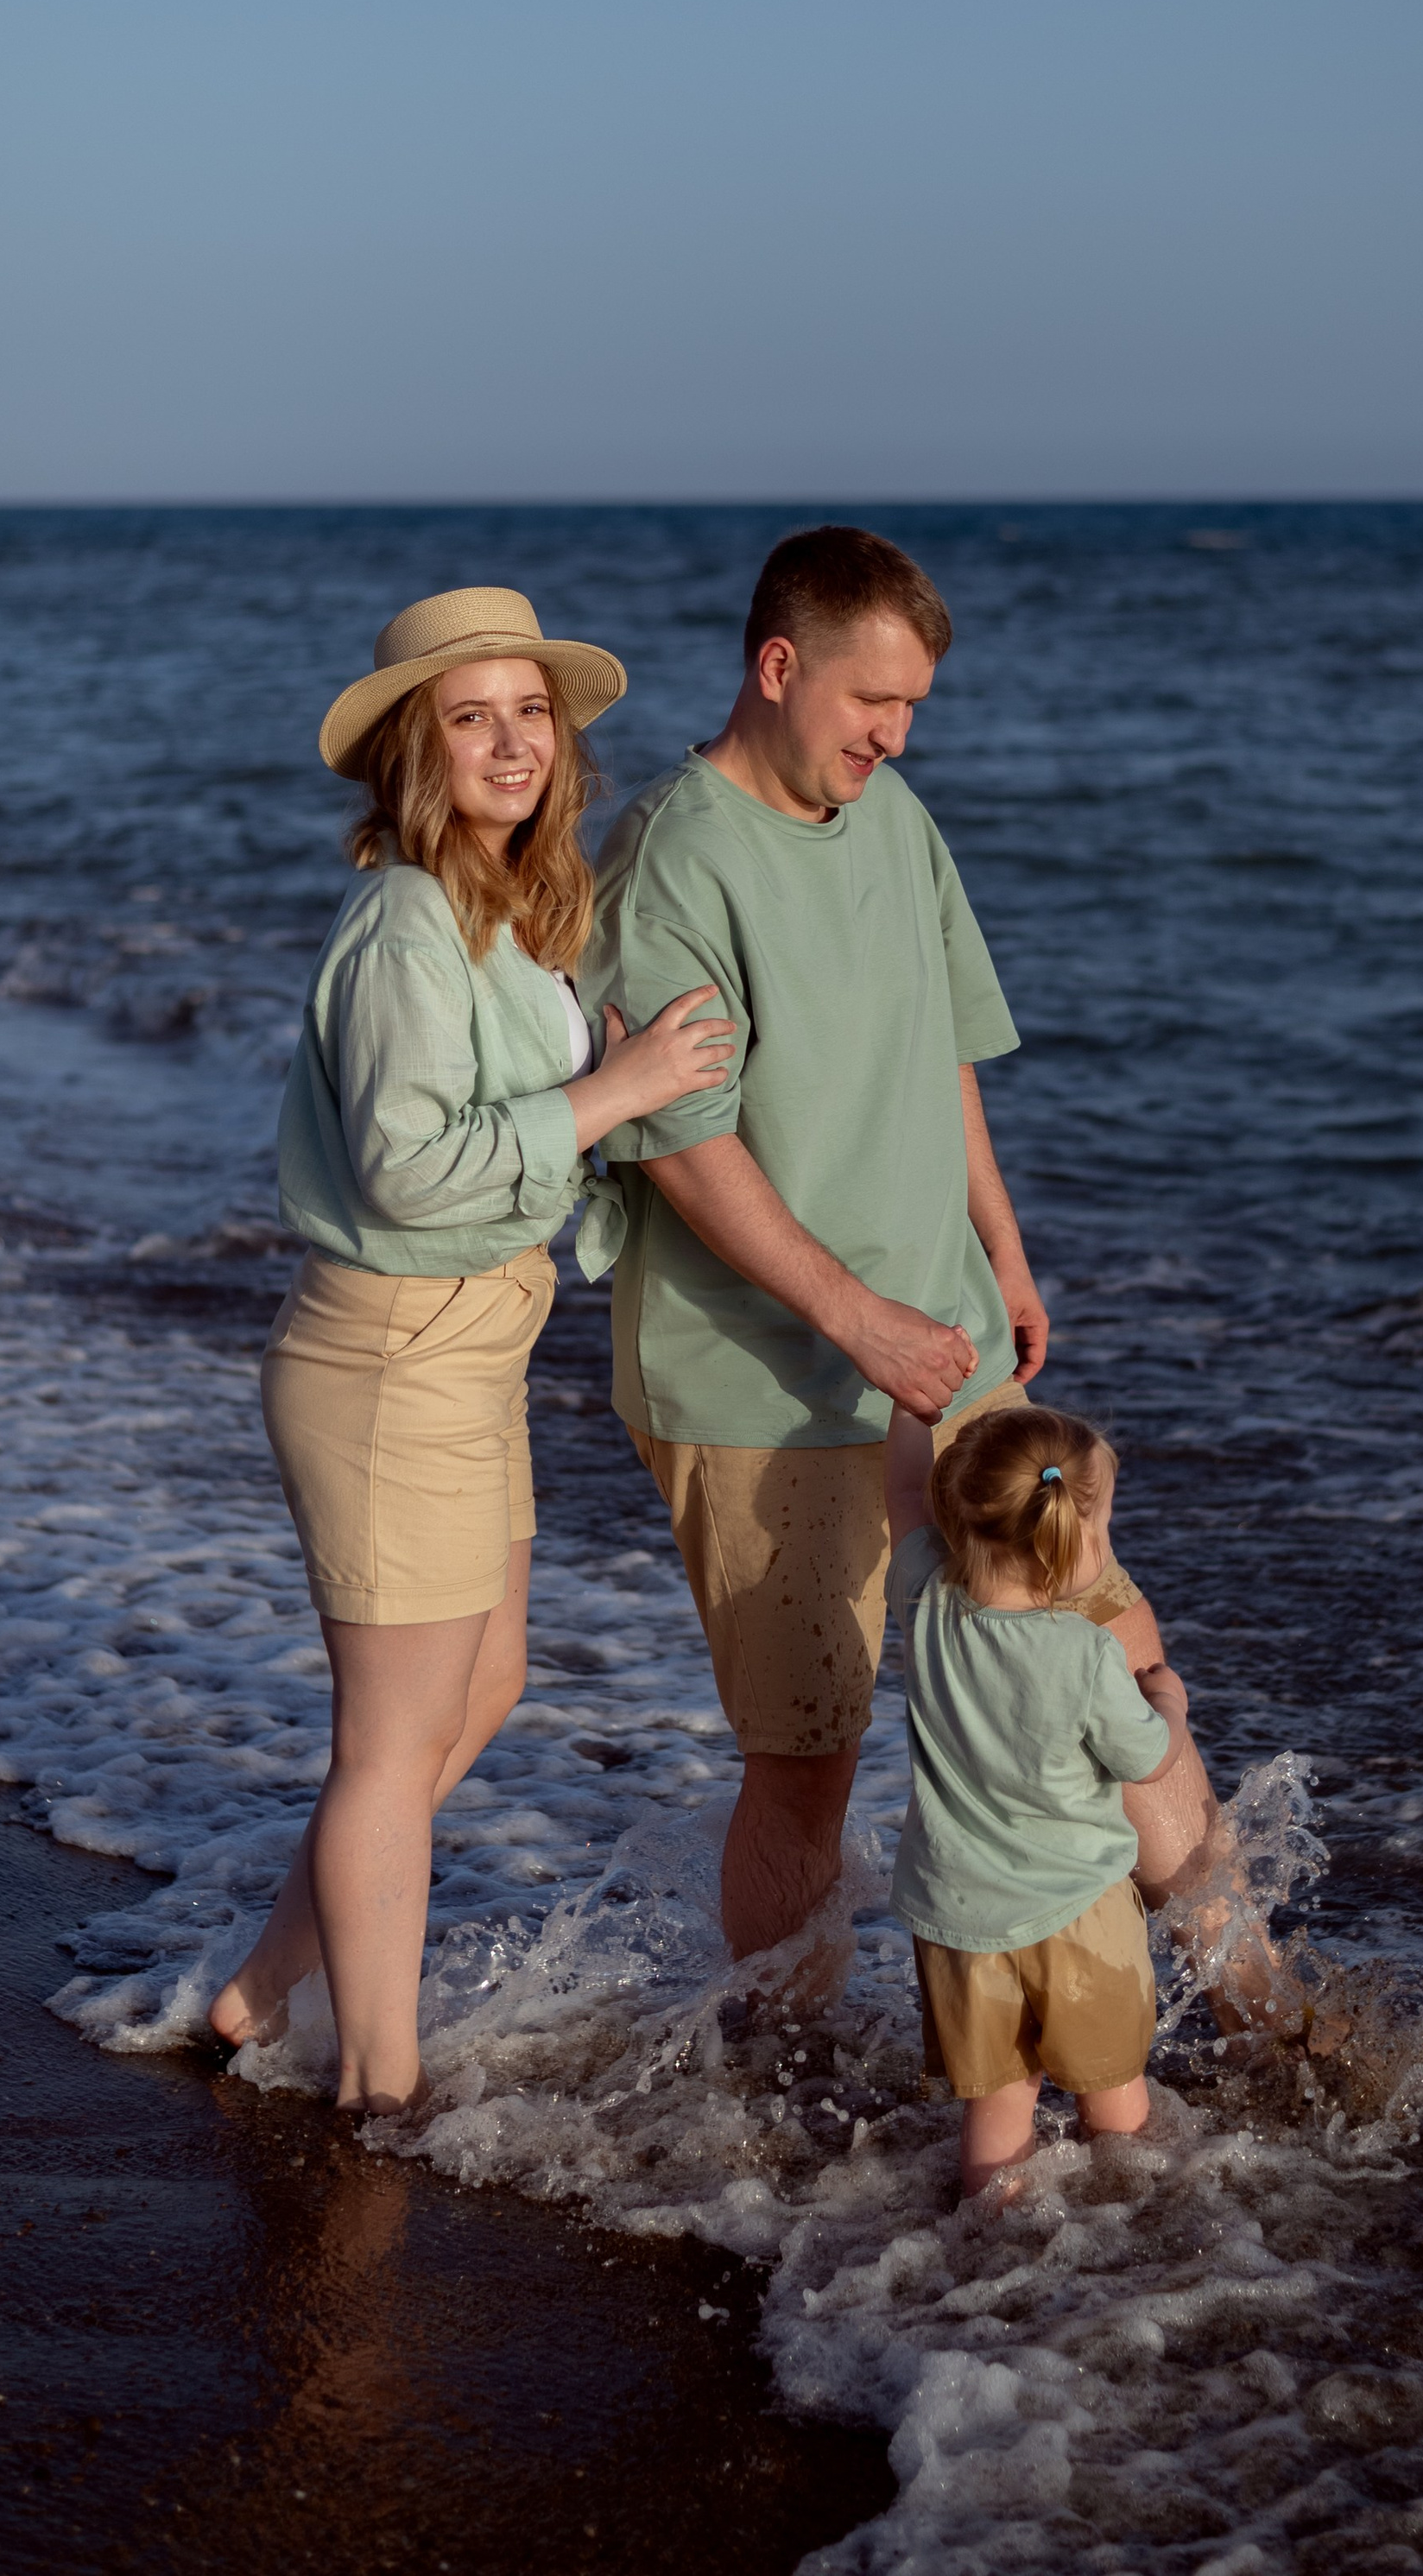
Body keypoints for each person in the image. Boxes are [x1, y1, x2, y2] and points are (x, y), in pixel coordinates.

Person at [206, 586, 733, 2116]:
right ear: (418, 753)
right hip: (388, 1358)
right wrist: (614, 1093)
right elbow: (404, 1168)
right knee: (388, 1745)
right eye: (471, 715)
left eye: (530, 711)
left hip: (474, 1349)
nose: (511, 740)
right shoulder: (405, 922)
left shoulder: (510, 906)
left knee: (484, 1684)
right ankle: (379, 2082)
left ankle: (260, 1988)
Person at [578, 527, 1047, 1966]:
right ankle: (781, 2091)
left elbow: (944, 1046)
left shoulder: (896, 820)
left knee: (1078, 1659)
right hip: (759, 1381)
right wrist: (861, 1324)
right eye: (872, 704)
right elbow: (687, 1146)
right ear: (778, 667)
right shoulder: (672, 859)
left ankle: (1267, 2003)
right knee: (812, 1756)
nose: (896, 738)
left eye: (914, 709)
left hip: (946, 1335)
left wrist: (1004, 1257)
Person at [882, 1396, 1192, 2196]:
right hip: (1078, 1913)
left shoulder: (923, 1600)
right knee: (1115, 2096)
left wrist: (905, 1403)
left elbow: (902, 1496)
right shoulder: (1085, 1653)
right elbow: (1148, 1760)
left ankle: (986, 2244)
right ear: (1069, 1536)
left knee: (996, 2110)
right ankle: (1134, 2227)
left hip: (958, 1916)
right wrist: (1170, 1702)